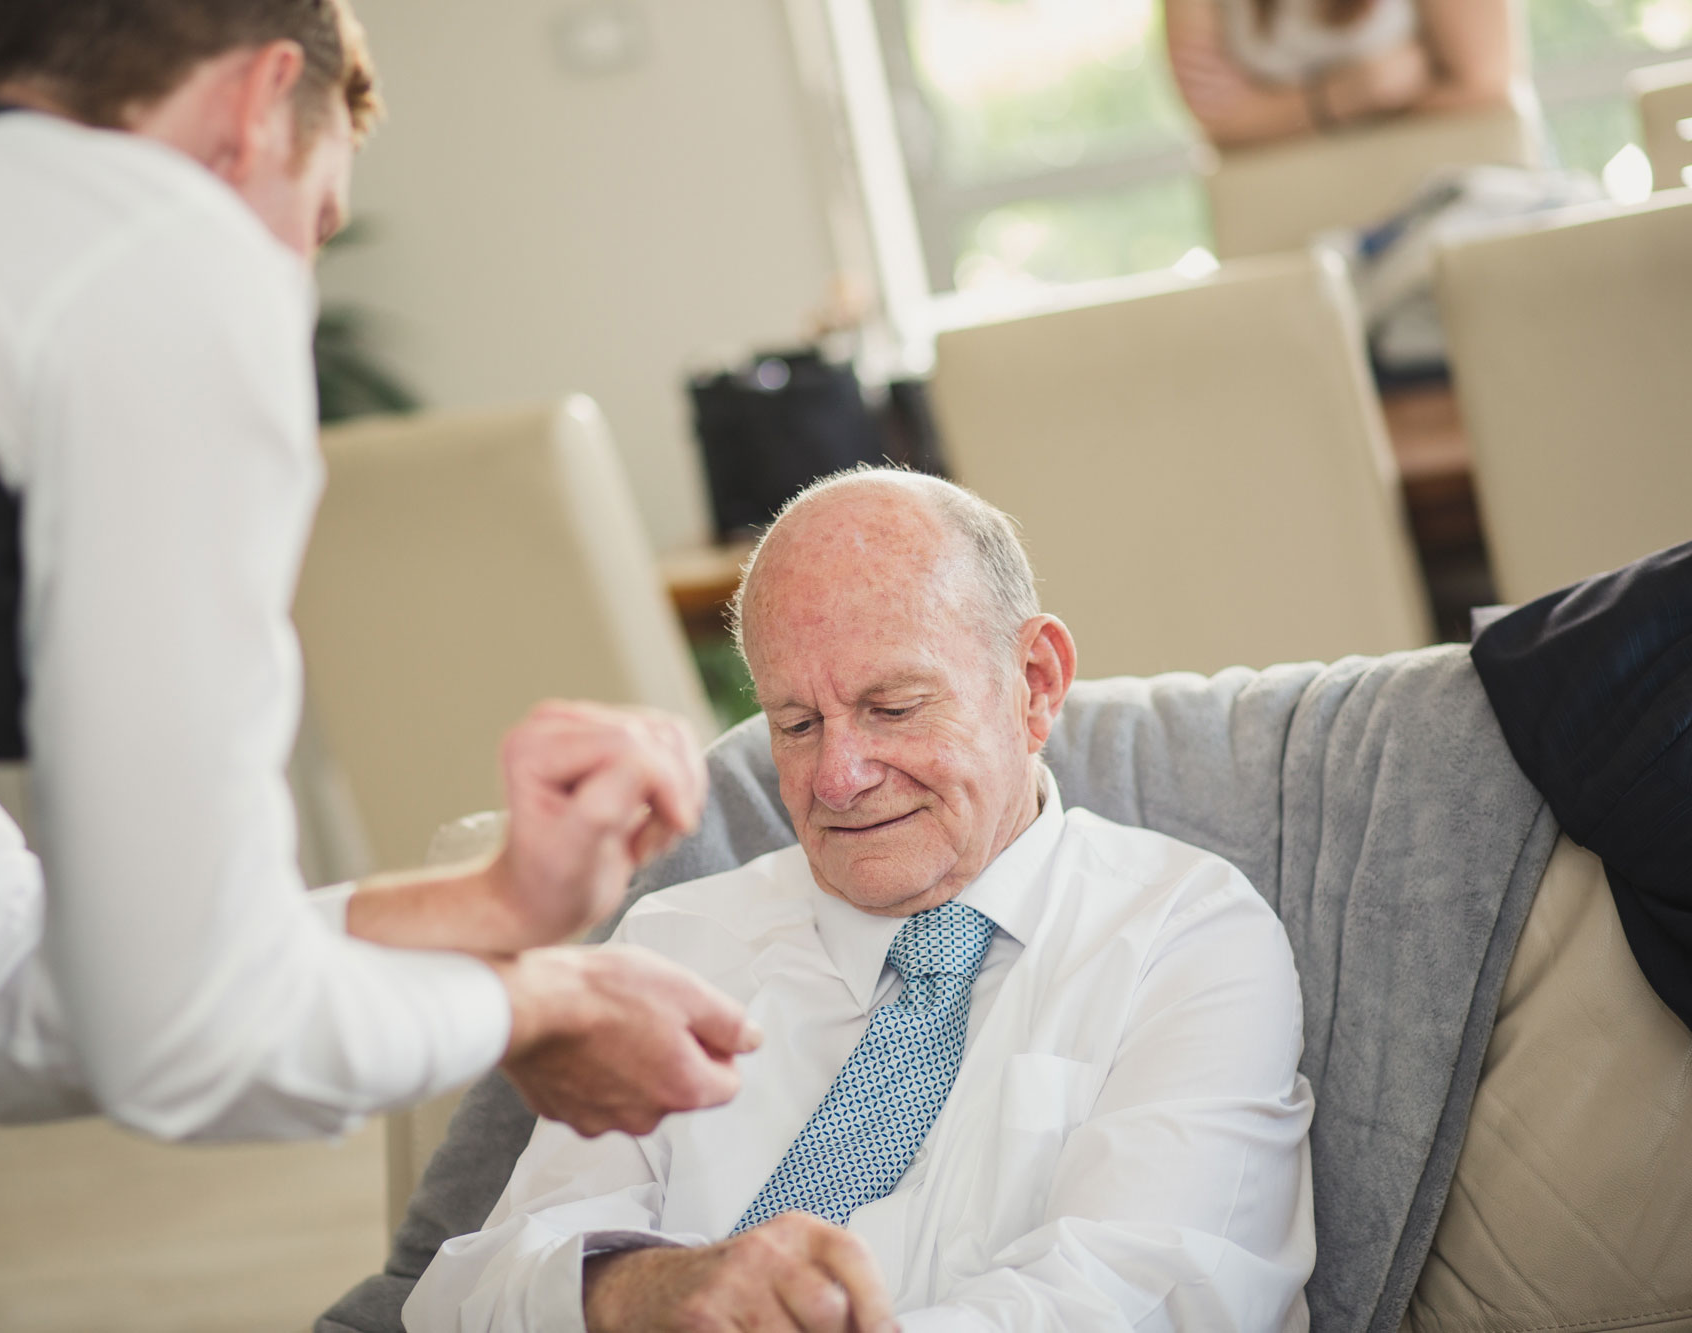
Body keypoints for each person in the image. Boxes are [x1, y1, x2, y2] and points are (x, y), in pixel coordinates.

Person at [0, 2, 757, 1329]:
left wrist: (489, 907)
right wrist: (534, 1006)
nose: (288, 297)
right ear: (255, 108)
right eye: (311, 225)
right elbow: (182, 1038)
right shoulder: (155, 242)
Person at [407, 471, 1315, 1332]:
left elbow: (1139, 1299)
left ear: (1035, 683)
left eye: (893, 707)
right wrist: (641, 1289)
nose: (837, 779)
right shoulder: (676, 940)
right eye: (796, 725)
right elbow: (466, 1293)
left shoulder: (1185, 941)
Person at [1165, 0, 1516, 148]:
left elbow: (1484, 83)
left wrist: (1276, 118)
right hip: (1297, 217)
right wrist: (1355, 93)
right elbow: (1222, 122)